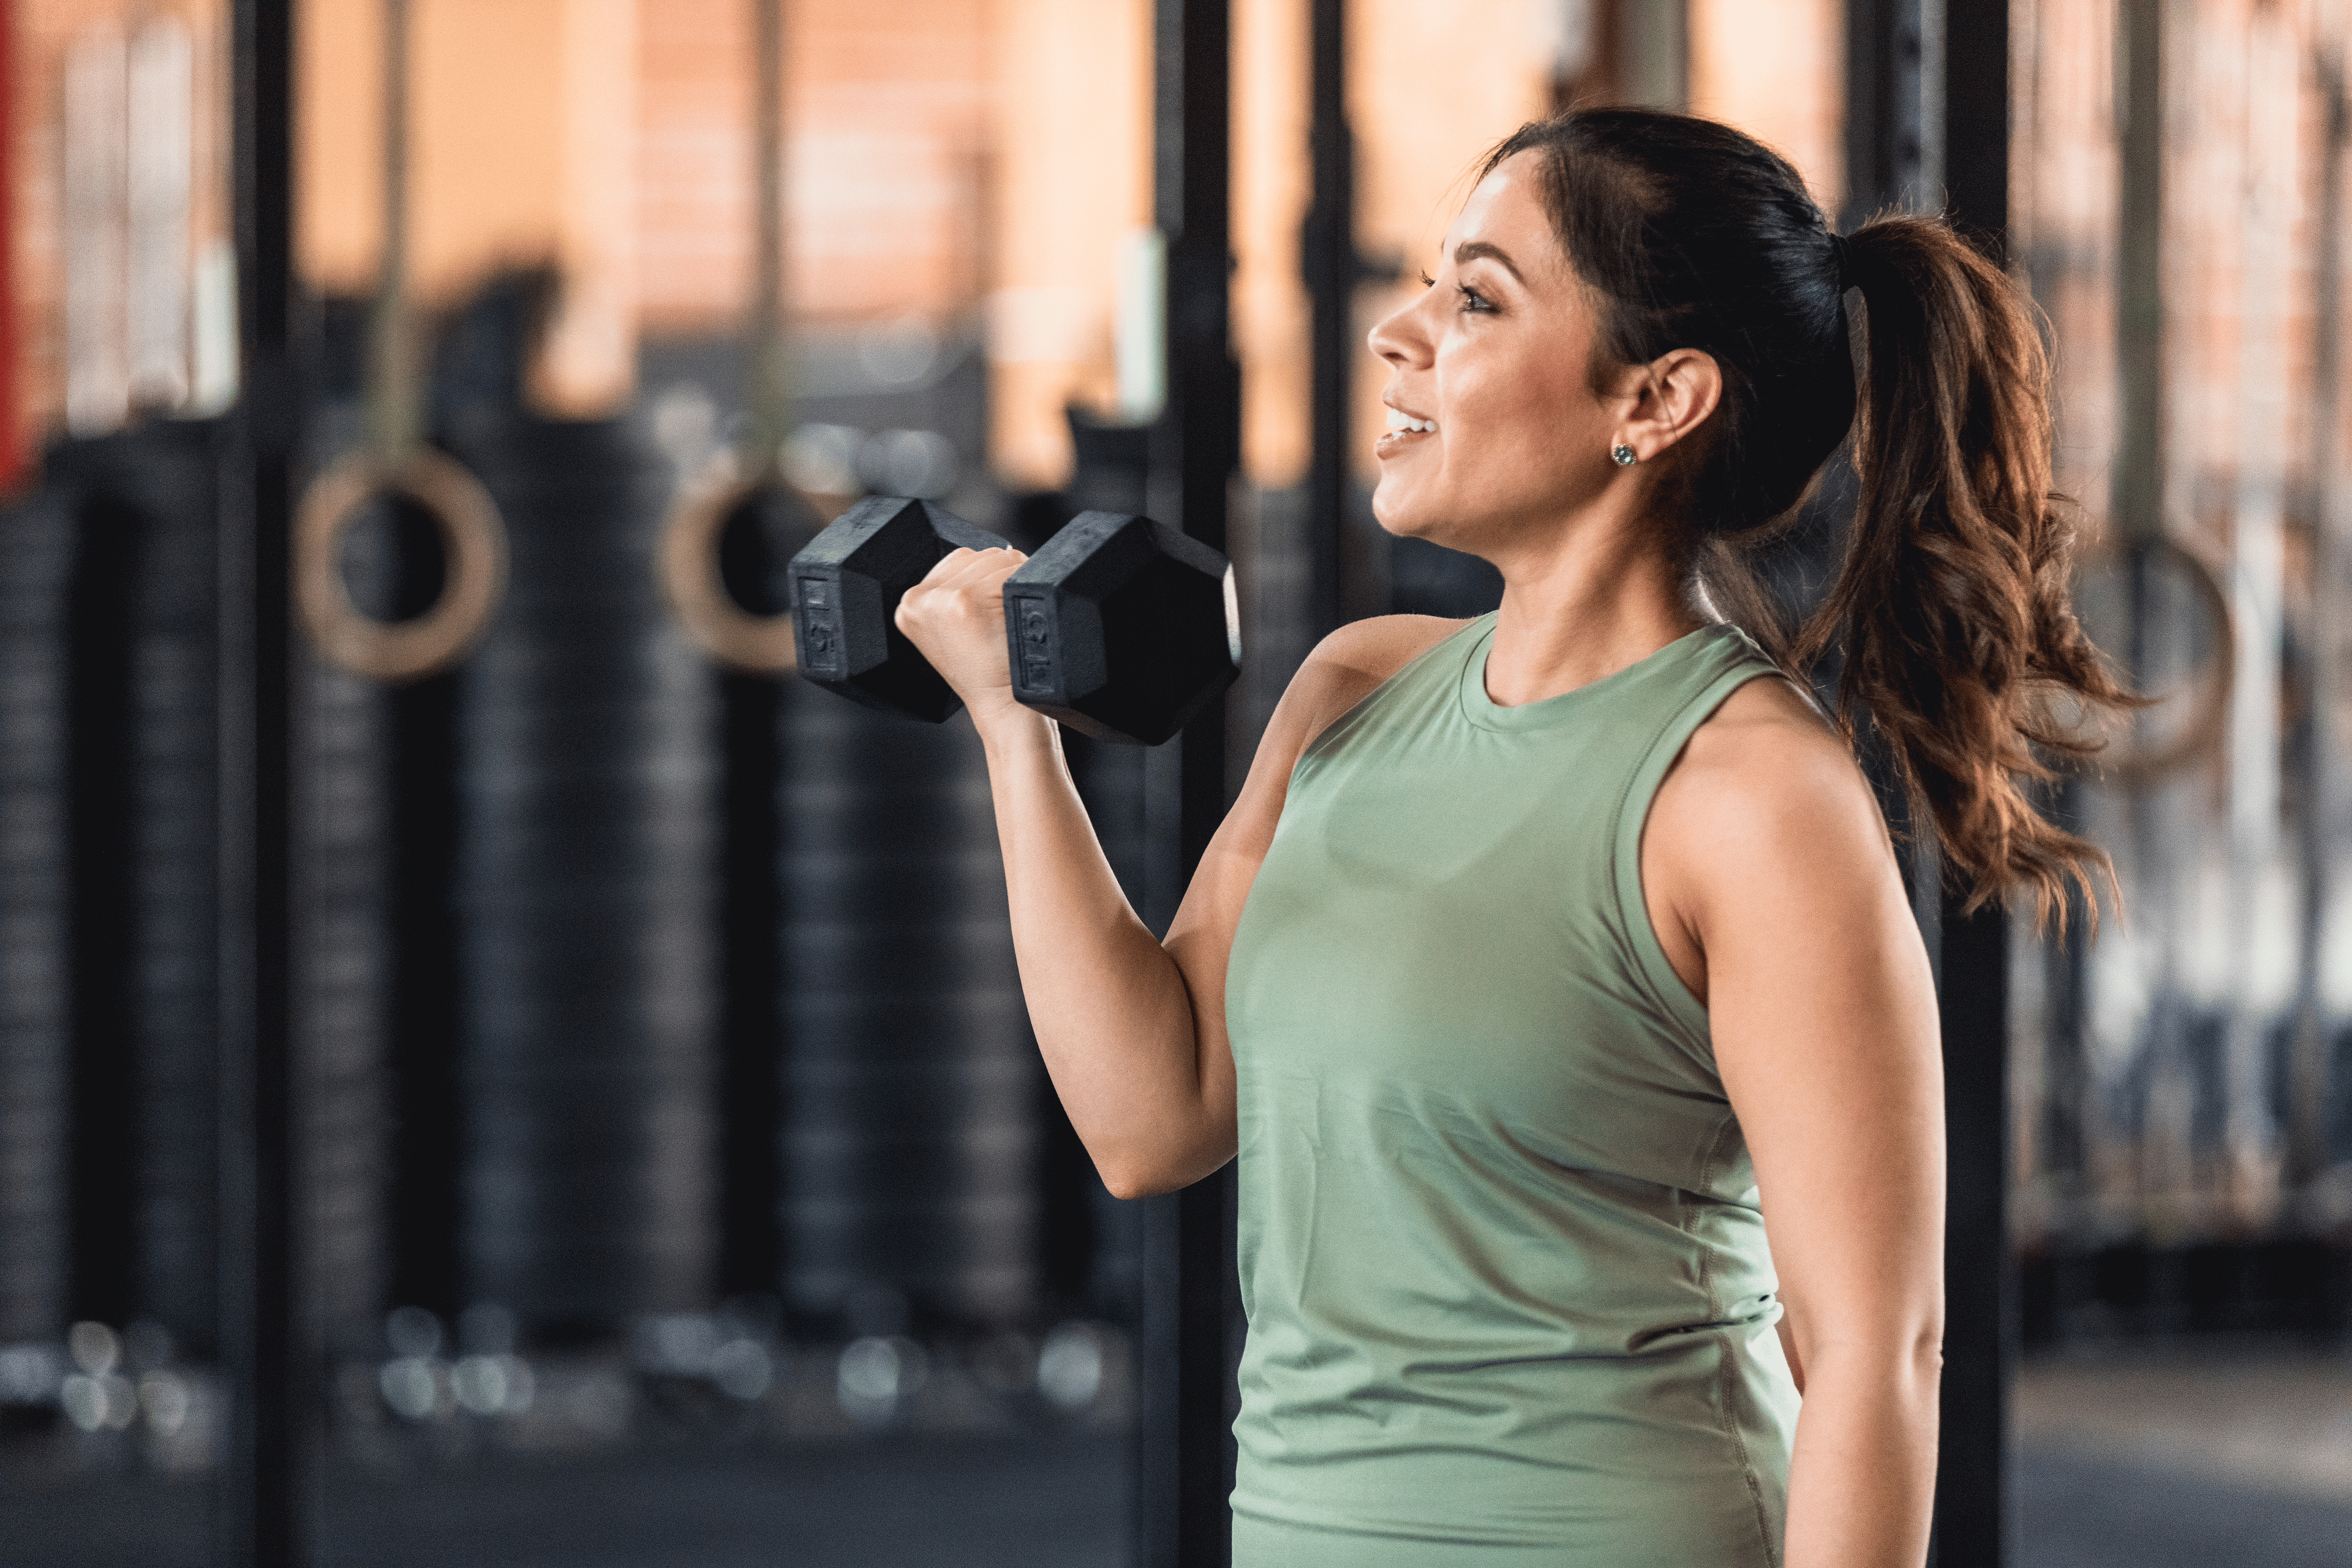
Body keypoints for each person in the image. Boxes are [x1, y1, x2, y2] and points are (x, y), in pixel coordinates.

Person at [897, 108, 2128, 1568]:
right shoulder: (1353, 687)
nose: (1398, 335)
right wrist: (1009, 727)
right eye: (1431, 283)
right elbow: (1152, 1116)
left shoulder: (1752, 798)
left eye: (1477, 298)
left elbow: (1878, 1353)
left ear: (1658, 398)